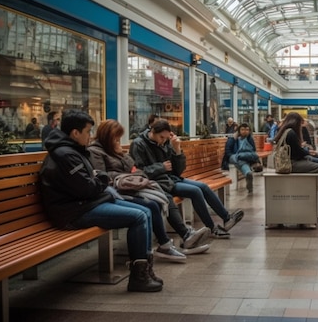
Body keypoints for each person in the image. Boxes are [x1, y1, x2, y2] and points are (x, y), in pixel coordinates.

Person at [39, 110, 162, 292]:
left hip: (86, 203)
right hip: (73, 212)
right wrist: (102, 178)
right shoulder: (66, 154)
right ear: (75, 133)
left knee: (146, 210)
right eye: (88, 131)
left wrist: (97, 178)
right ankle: (138, 277)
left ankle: (144, 270)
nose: (90, 136)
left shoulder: (72, 151)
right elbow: (87, 187)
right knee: (138, 216)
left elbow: (89, 183)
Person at [88, 119, 211, 258]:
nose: (118, 141)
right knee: (153, 204)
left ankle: (184, 236)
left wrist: (176, 150)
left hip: (137, 185)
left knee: (166, 196)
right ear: (107, 137)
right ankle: (168, 242)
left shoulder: (114, 150)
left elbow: (138, 170)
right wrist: (130, 173)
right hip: (118, 191)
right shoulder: (96, 152)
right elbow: (103, 176)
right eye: (116, 139)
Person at [130, 119, 244, 239]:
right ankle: (212, 228)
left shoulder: (166, 142)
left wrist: (177, 150)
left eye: (166, 138)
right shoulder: (138, 144)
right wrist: (161, 167)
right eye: (161, 137)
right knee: (195, 191)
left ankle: (226, 218)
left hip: (171, 178)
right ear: (152, 131)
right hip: (159, 183)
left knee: (203, 187)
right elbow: (139, 172)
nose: (163, 141)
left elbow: (178, 170)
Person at [226, 123, 263, 193]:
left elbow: (253, 150)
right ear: (239, 130)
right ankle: (248, 172)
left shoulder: (250, 139)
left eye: (247, 130)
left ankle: (248, 172)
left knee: (243, 159)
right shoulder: (233, 139)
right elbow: (228, 152)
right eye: (242, 129)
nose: (245, 131)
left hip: (246, 157)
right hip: (235, 156)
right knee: (240, 160)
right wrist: (236, 156)